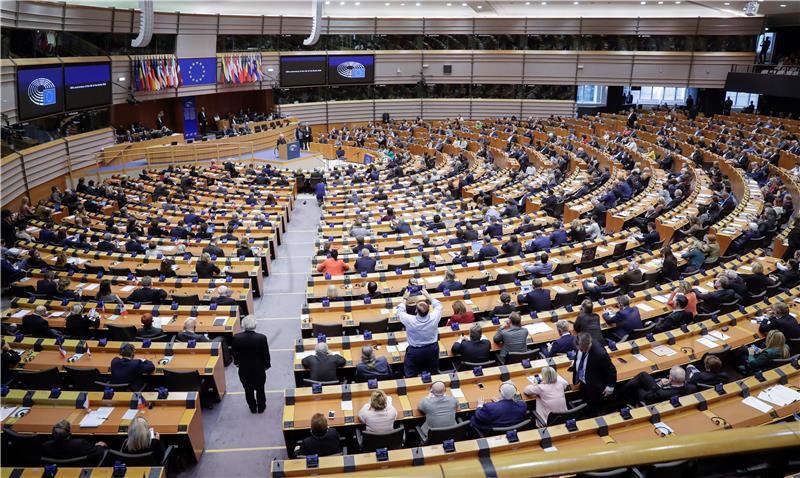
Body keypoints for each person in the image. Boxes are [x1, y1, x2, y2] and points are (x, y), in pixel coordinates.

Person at [396, 288, 443, 377]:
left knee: (410, 374)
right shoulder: (434, 317)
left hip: (415, 351)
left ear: (416, 311)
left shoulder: (410, 320)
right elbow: (439, 306)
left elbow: (399, 311)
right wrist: (428, 295)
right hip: (432, 349)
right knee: (432, 372)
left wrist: (405, 298)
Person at [232, 316, 271, 413]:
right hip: (258, 369)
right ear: (255, 325)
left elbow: (235, 353)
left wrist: (237, 363)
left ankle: (252, 407)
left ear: (243, 325)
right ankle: (261, 407)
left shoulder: (236, 338)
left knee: (248, 390)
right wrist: (267, 365)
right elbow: (265, 354)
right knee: (260, 389)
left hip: (244, 369)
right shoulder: (261, 338)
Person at [572, 333, 617, 415]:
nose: (580, 350)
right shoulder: (580, 344)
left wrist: (611, 386)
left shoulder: (600, 354)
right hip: (583, 382)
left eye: (581, 349)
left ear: (588, 345)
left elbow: (612, 370)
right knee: (584, 404)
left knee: (592, 409)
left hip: (595, 386)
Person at [620, 366, 695, 405]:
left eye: (669, 375)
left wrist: (659, 384)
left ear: (671, 378)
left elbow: (647, 397)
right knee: (643, 375)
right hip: (668, 392)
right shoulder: (692, 388)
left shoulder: (661, 393)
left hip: (652, 399)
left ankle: (620, 394)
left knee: (637, 387)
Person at [41, 420, 107, 461]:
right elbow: (96, 455)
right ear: (70, 433)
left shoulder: (46, 446)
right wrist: (99, 446)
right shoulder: (80, 444)